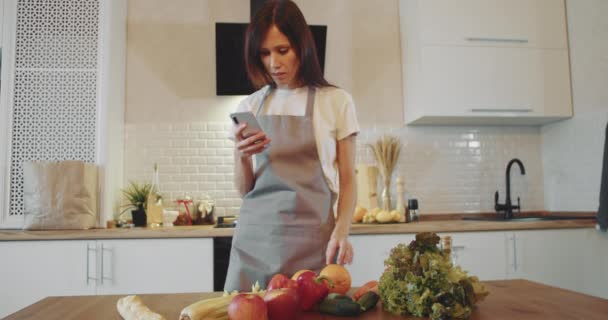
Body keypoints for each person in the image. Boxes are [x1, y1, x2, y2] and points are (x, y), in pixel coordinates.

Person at [224, 0, 359, 292]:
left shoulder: (336, 101)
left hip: (314, 243)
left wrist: (342, 231)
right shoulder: (250, 105)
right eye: (265, 53)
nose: (274, 63)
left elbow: (348, 178)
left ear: (302, 46)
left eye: (282, 50)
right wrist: (241, 156)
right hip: (255, 242)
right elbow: (245, 191)